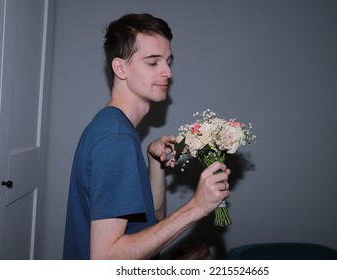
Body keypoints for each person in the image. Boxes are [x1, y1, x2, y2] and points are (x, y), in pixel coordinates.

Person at [63, 13, 231, 260]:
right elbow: (105, 258)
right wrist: (196, 207)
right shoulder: (116, 138)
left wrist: (154, 163)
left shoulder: (115, 127)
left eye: (168, 61)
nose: (168, 73)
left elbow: (152, 217)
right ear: (120, 68)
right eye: (153, 62)